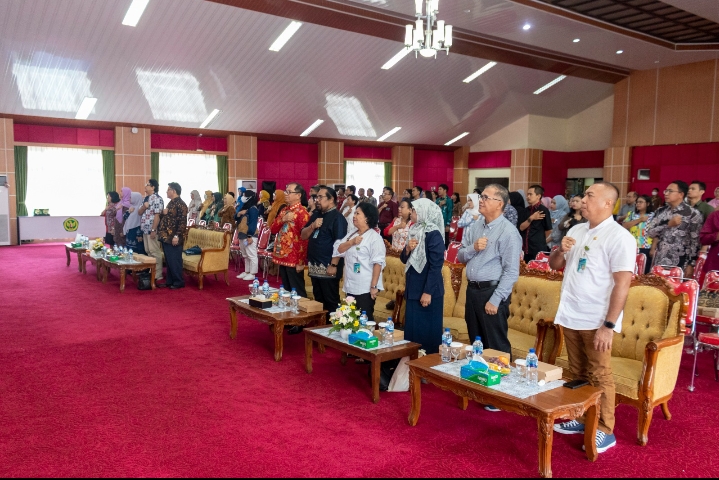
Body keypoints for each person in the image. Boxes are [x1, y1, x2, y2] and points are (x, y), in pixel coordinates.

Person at [550, 182, 636, 454]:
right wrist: (559, 250)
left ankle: (604, 429)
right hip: (572, 314)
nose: (582, 200)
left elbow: (622, 284)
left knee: (600, 375)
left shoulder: (620, 237)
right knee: (578, 372)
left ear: (608, 203)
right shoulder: (576, 230)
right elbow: (555, 266)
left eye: (589, 196)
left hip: (597, 319)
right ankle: (580, 416)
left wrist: (608, 326)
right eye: (584, 195)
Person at [457, 184, 522, 363]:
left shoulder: (509, 232)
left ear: (499, 203)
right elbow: (461, 255)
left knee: (496, 347)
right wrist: (473, 248)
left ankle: (501, 387)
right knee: (476, 343)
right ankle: (478, 382)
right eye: (481, 197)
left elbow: (511, 272)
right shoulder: (476, 226)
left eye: (486, 197)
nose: (481, 201)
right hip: (472, 291)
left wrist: (496, 300)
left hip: (491, 293)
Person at [401, 198, 446, 355]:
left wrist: (428, 292)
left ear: (423, 212)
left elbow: (436, 266)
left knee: (428, 333)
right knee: (412, 332)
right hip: (413, 289)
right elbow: (403, 259)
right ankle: (411, 365)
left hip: (428, 291)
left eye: (414, 210)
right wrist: (407, 249)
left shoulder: (434, 234)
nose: (411, 213)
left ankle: (427, 369)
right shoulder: (414, 230)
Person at [301, 186, 348, 334]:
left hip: (328, 266)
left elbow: (339, 244)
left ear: (331, 199)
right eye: (316, 197)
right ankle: (321, 330)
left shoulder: (338, 218)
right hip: (315, 266)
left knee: (331, 300)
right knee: (318, 299)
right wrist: (313, 226)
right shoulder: (316, 215)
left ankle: (333, 332)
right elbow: (303, 235)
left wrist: (334, 264)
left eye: (320, 197)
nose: (317, 200)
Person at [332, 202, 385, 319]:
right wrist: (351, 242)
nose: (354, 216)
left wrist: (374, 286)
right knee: (350, 318)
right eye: (354, 213)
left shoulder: (374, 238)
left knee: (363, 320)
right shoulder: (352, 234)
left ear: (367, 218)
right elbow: (339, 249)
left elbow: (378, 263)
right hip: (351, 284)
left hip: (365, 287)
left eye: (357, 213)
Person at [646, 181, 703, 276]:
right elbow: (650, 233)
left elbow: (695, 242)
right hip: (660, 260)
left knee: (676, 289)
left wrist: (691, 265)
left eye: (670, 191)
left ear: (681, 194)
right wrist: (667, 224)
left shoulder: (693, 213)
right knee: (657, 289)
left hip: (681, 263)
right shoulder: (660, 211)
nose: (666, 194)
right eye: (666, 191)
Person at [270, 183, 310, 297]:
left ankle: (302, 313)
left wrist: (301, 261)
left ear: (298, 195)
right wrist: (283, 219)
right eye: (285, 191)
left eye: (289, 192)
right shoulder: (284, 210)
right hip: (282, 256)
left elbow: (305, 238)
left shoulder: (302, 213)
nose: (285, 194)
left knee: (297, 290)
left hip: (294, 259)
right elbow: (273, 229)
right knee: (286, 290)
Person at [157, 182, 188, 289]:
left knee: (175, 260)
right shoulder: (171, 203)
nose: (166, 191)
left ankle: (179, 281)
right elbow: (168, 217)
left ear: (174, 191)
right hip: (166, 237)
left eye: (168, 189)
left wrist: (177, 236)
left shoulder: (181, 204)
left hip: (173, 237)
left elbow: (183, 223)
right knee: (169, 260)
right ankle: (170, 281)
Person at [138, 179, 164, 282]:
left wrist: (154, 229)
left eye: (147, 185)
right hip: (145, 229)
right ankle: (152, 271)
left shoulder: (157, 199)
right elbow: (139, 212)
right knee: (148, 251)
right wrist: (144, 207)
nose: (145, 186)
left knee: (154, 251)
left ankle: (158, 274)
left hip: (152, 229)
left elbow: (157, 215)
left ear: (153, 187)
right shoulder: (145, 198)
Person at [519, 185, 553, 262]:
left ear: (538, 196)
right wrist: (531, 218)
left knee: (537, 270)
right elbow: (521, 227)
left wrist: (539, 239)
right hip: (525, 247)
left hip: (538, 248)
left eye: (530, 194)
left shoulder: (543, 210)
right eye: (527, 194)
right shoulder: (525, 210)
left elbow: (548, 230)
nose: (528, 196)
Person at [623, 194, 654, 274]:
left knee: (644, 270)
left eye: (641, 202)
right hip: (632, 247)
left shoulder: (653, 216)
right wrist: (639, 220)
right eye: (637, 202)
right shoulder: (631, 214)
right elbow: (625, 226)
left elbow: (656, 233)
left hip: (646, 247)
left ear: (647, 204)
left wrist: (653, 248)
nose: (638, 204)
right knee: (631, 269)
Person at [236, 191, 260, 281]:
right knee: (245, 254)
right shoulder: (245, 207)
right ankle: (247, 271)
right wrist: (238, 214)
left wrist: (249, 235)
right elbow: (236, 217)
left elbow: (253, 223)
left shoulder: (253, 209)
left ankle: (252, 273)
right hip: (242, 234)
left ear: (250, 197)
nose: (242, 197)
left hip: (250, 235)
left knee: (251, 254)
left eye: (244, 195)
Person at [699, 210, 719, 286]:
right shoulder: (715, 216)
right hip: (715, 267)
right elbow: (703, 238)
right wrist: (716, 236)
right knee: (711, 295)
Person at [436, 184, 454, 248]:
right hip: (437, 223)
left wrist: (448, 224)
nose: (438, 191)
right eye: (438, 189)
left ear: (445, 190)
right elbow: (434, 211)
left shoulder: (449, 200)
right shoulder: (437, 200)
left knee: (445, 240)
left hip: (445, 223)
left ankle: (445, 254)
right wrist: (439, 205)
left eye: (440, 189)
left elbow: (450, 212)